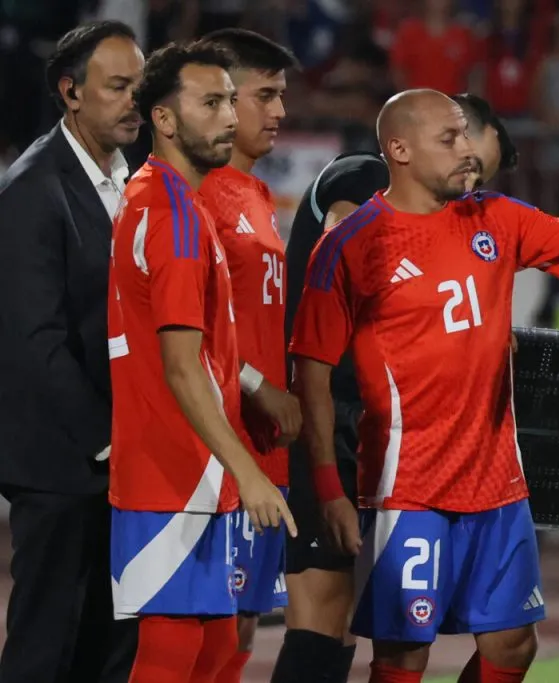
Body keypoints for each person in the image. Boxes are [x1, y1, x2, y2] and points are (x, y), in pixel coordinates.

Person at [288, 87, 559, 683]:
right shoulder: (351, 244)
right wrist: (329, 491)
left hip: (498, 483)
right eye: (450, 139)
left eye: (467, 135)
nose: (468, 151)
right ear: (400, 149)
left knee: (513, 645)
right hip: (405, 487)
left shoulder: (496, 217)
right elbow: (311, 372)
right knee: (401, 655)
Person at [271, 91, 518, 683]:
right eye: (467, 154)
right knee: (324, 614)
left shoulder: (445, 217)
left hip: (390, 433)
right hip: (329, 416)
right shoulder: (366, 176)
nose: (470, 175)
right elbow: (351, 237)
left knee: (383, 621)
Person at [107, 40, 295, 683]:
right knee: (174, 655)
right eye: (210, 102)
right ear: (164, 119)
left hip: (194, 475)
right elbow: (183, 366)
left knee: (216, 649)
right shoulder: (173, 215)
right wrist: (250, 469)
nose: (227, 116)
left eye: (227, 100)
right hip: (172, 474)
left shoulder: (168, 200)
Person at [0, 20, 143, 683]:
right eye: (117, 86)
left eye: (139, 86)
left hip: (123, 459)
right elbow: (37, 340)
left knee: (111, 644)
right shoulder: (32, 189)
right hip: (62, 464)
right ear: (71, 92)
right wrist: (110, 437)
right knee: (46, 639)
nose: (133, 101)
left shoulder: (135, 180)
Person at [195, 28, 303, 683]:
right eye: (266, 95)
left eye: (282, 95)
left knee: (240, 624)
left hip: (266, 448)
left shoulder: (257, 195)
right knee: (208, 621)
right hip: (220, 449)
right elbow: (181, 327)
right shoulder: (199, 194)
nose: (280, 112)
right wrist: (260, 382)